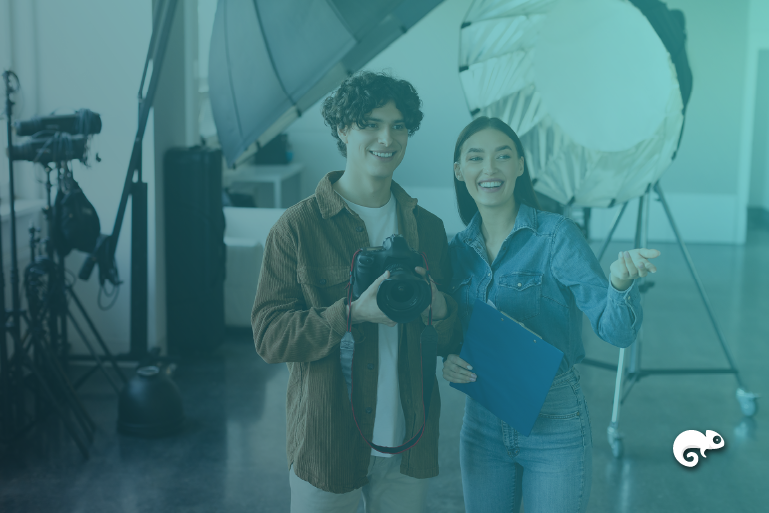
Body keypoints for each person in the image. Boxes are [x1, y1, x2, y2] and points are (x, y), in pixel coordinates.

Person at [252, 71, 460, 513]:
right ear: (343, 129)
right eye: (370, 123)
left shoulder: (429, 230)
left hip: (409, 440)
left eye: (399, 125)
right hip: (328, 443)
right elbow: (269, 337)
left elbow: (449, 338)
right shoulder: (297, 228)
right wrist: (350, 314)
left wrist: (441, 309)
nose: (387, 138)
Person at [442, 116, 661, 513]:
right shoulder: (453, 251)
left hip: (555, 421)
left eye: (502, 156)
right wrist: (449, 358)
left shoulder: (557, 235)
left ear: (520, 165)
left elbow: (617, 333)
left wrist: (620, 284)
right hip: (482, 423)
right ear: (460, 171)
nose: (489, 169)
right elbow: (446, 329)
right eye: (476, 158)